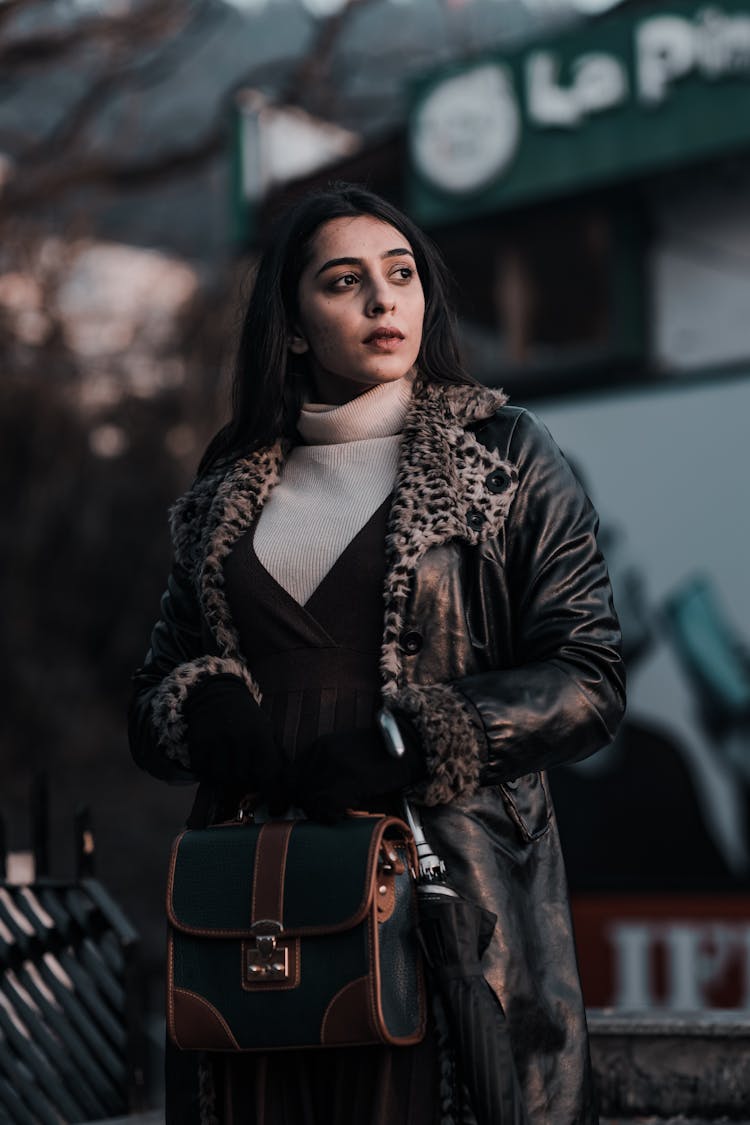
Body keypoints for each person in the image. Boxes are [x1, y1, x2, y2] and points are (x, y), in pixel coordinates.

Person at [129, 183, 625, 1125]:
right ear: (295, 325)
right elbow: (152, 696)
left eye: (401, 275)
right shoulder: (228, 485)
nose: (382, 300)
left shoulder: (504, 454)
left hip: (445, 898)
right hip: (263, 901)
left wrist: (420, 735)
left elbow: (589, 680)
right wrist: (201, 707)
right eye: (345, 281)